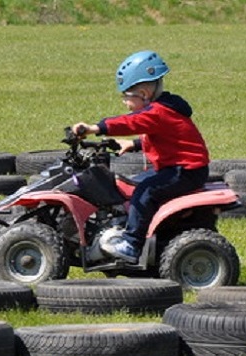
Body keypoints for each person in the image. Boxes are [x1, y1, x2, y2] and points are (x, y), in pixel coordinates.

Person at [71, 50, 210, 264]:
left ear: (144, 94)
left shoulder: (158, 112)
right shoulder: (163, 109)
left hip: (185, 170)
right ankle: (130, 227)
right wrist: (133, 144)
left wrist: (94, 128)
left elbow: (131, 122)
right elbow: (163, 137)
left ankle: (131, 244)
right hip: (178, 166)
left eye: (126, 97)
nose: (125, 103)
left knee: (145, 192)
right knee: (135, 183)